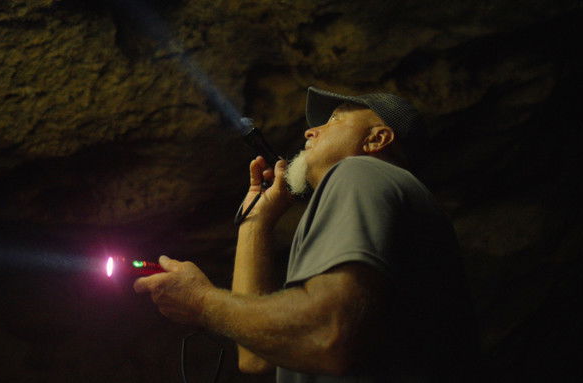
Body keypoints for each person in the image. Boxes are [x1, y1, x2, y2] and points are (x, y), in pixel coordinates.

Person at [134, 86, 479, 381]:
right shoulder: (381, 190)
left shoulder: (360, 172)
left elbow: (327, 333)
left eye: (334, 120)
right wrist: (257, 222)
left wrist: (201, 302)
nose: (310, 132)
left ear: (377, 139)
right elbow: (255, 357)